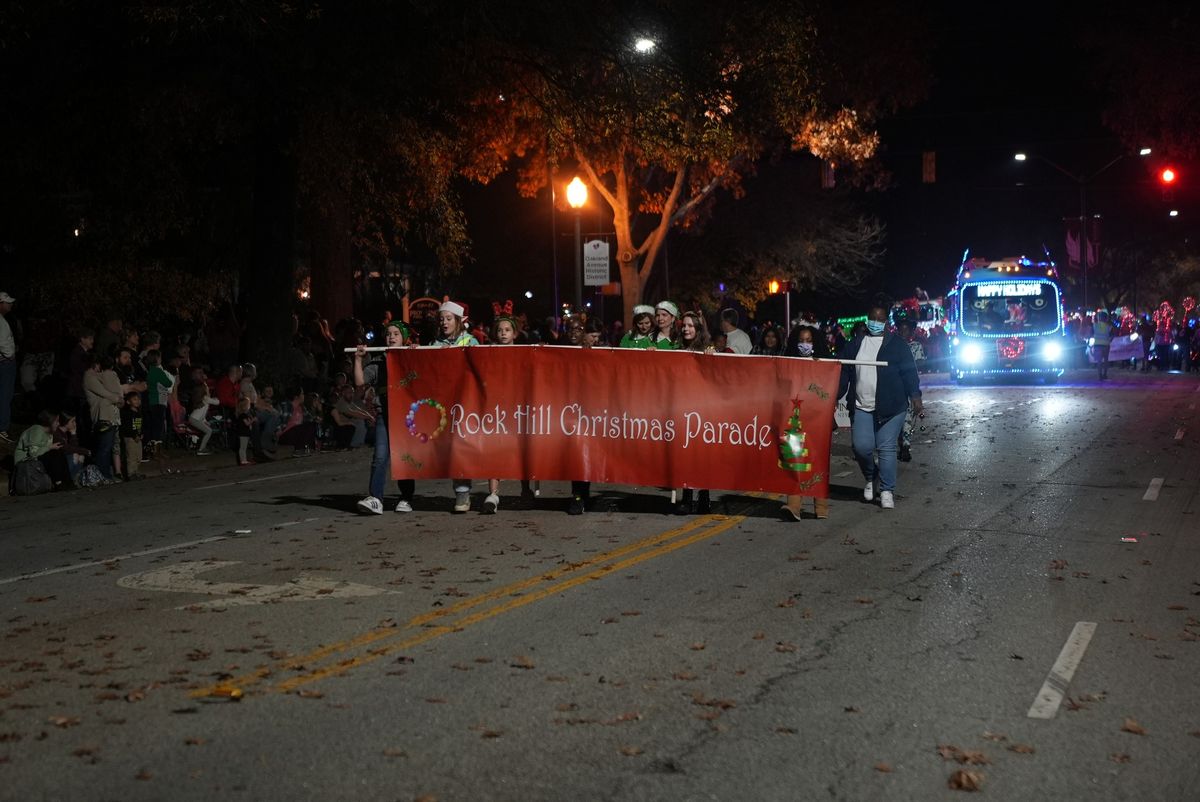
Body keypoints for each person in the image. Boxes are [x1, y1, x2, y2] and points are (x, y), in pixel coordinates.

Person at [837, 303, 923, 510]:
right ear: (867, 320)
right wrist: (832, 396)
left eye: (880, 318)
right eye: (872, 318)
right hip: (862, 405)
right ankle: (871, 476)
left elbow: (909, 372)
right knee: (862, 447)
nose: (876, 322)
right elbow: (844, 374)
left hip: (892, 407)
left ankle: (886, 489)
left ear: (886, 322)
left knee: (886, 447)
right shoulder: (855, 344)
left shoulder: (897, 345)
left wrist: (915, 396)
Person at [354, 321, 416, 515]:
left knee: (405, 458)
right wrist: (357, 359)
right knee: (380, 457)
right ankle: (376, 498)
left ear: (404, 338)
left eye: (396, 334)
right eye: (389, 333)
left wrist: (416, 355)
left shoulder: (412, 356)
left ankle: (406, 498)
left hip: (406, 417)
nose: (391, 337)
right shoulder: (378, 361)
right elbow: (360, 381)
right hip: (384, 415)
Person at [482, 316, 539, 513]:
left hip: (518, 407)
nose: (503, 333)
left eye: (507, 330)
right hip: (496, 408)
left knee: (521, 450)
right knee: (494, 449)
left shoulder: (523, 352)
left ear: (514, 333)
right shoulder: (489, 353)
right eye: (500, 330)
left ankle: (525, 490)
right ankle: (493, 494)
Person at [433, 301, 479, 512]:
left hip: (468, 402)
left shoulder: (471, 341)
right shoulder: (434, 344)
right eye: (441, 319)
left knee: (467, 446)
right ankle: (461, 492)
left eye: (449, 319)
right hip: (446, 404)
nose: (444, 322)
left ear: (459, 321)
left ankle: (484, 492)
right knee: (453, 448)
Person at [782, 327, 831, 520]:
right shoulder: (788, 364)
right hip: (793, 418)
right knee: (793, 458)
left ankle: (821, 506)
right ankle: (793, 505)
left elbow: (835, 384)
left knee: (817, 458)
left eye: (809, 340)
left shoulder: (825, 364)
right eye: (801, 340)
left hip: (818, 417)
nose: (805, 344)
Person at [675, 311, 714, 515]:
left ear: (698, 329)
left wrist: (711, 358)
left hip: (702, 408)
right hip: (682, 406)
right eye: (684, 325)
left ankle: (704, 496)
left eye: (690, 326)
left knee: (702, 453)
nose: (686, 329)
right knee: (685, 453)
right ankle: (687, 496)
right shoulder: (677, 347)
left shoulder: (707, 349)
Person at [83, 354, 124, 481]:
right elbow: (104, 393)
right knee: (104, 447)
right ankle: (103, 475)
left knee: (108, 446)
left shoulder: (97, 376)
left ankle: (106, 474)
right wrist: (118, 399)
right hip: (102, 416)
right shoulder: (89, 376)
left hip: (107, 415)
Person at [15, 410, 73, 490]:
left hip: (36, 460)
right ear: (50, 422)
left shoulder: (49, 433)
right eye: (56, 421)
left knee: (59, 453)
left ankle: (68, 482)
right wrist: (50, 447)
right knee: (54, 454)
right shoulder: (36, 430)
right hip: (25, 463)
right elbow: (33, 453)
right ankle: (58, 483)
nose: (58, 424)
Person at [0, 291, 16, 442]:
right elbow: (4, 343)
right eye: (7, 302)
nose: (10, 305)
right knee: (5, 395)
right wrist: (10, 355)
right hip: (5, 363)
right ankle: (2, 428)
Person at [120, 391, 145, 478]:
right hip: (130, 438)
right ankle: (130, 473)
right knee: (131, 456)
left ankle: (136, 471)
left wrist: (141, 433)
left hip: (138, 437)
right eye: (134, 399)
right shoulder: (127, 414)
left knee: (139, 456)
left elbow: (140, 425)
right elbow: (126, 427)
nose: (137, 401)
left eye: (138, 399)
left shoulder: (138, 413)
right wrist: (134, 435)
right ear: (128, 402)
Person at [1091, 310, 1114, 380]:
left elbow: (1091, 334)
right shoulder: (1109, 327)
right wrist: (1109, 340)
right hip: (1106, 345)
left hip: (1097, 345)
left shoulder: (1094, 325)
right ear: (1106, 318)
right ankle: (1105, 374)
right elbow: (1112, 335)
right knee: (1106, 360)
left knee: (1099, 361)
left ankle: (1100, 375)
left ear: (1099, 318)